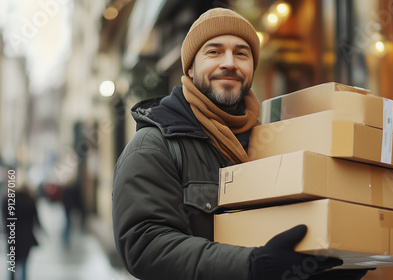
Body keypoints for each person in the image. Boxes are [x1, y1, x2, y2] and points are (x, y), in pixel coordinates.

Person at [112, 7, 370, 280]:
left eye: (241, 53)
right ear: (190, 66)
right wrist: (251, 265)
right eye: (214, 51)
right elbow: (144, 247)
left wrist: (335, 262)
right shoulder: (154, 146)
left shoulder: (272, 140)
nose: (229, 63)